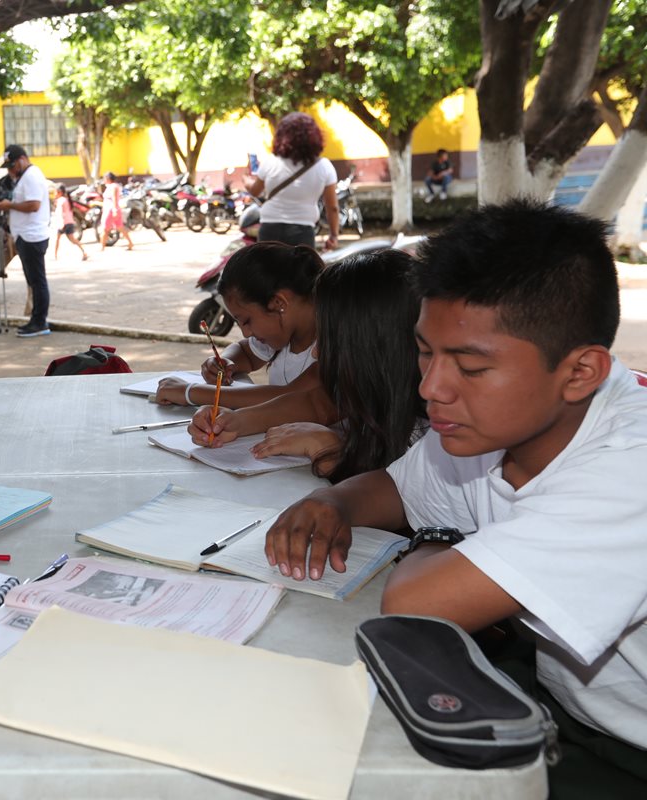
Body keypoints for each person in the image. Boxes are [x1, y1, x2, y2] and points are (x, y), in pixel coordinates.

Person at [265, 200, 647, 796]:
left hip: (626, 749)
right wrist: (334, 504)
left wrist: (431, 541)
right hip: (555, 703)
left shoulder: (630, 470)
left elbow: (418, 602)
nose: (430, 388)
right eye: (424, 351)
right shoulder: (498, 422)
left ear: (580, 372)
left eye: (469, 366)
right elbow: (394, 487)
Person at [249, 249, 426, 483]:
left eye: (327, 339)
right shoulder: (385, 408)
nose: (315, 352)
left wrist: (329, 452)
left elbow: (405, 505)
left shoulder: (433, 432)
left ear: (368, 347)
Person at [156, 242, 322, 410]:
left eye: (247, 321)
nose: (245, 333)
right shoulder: (282, 332)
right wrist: (225, 362)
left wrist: (190, 392)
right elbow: (246, 353)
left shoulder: (334, 341)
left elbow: (290, 398)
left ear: (279, 303)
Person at [243, 112, 338, 250]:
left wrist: (246, 180)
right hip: (303, 232)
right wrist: (333, 235)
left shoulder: (270, 162)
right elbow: (332, 208)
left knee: (268, 271)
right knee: (300, 272)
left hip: (269, 230)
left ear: (281, 136)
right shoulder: (324, 166)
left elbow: (255, 191)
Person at [0, 144, 53, 337]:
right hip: (26, 236)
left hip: (32, 236)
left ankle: (39, 322)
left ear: (21, 160)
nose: (10, 170)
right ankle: (37, 319)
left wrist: (9, 205)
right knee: (34, 281)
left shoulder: (32, 176)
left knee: (37, 281)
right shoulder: (24, 177)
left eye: (12, 166)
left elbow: (34, 205)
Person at [99, 171, 134, 252]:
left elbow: (114, 198)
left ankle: (102, 246)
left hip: (111, 210)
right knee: (120, 227)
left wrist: (114, 210)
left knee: (105, 228)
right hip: (112, 209)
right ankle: (130, 243)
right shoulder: (111, 186)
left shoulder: (113, 187)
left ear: (108, 178)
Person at [53, 183, 87, 261]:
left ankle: (55, 255)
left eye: (55, 192)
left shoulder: (61, 200)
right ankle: (84, 251)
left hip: (64, 223)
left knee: (60, 239)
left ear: (59, 192)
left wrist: (61, 223)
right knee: (71, 239)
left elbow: (61, 212)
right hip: (68, 222)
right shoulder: (66, 200)